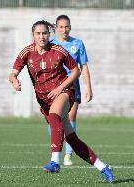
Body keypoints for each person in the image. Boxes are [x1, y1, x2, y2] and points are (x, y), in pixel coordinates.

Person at [9, 20, 114, 183]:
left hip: (64, 92)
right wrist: (14, 80)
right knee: (71, 138)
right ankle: (103, 167)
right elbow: (12, 73)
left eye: (44, 33)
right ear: (33, 35)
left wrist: (60, 88)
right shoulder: (27, 52)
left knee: (54, 116)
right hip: (44, 99)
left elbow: (76, 71)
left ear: (49, 34)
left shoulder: (58, 50)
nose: (42, 36)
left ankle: (55, 162)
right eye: (38, 33)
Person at [49, 15, 93, 166]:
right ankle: (56, 152)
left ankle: (68, 154)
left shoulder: (77, 44)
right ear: (56, 28)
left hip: (73, 85)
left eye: (67, 26)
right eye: (61, 27)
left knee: (71, 117)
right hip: (55, 85)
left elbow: (84, 66)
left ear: (70, 27)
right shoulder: (50, 44)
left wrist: (89, 87)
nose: (64, 30)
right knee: (54, 119)